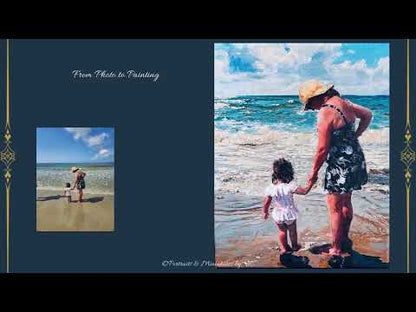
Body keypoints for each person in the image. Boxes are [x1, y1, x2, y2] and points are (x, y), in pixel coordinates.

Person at [298, 80, 372, 256]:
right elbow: (367, 115)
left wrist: (312, 175)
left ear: (319, 97)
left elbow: (322, 149)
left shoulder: (325, 111)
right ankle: (343, 240)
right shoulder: (345, 103)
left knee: (335, 207)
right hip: (355, 158)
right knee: (346, 201)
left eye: (311, 104)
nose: (313, 109)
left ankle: (336, 249)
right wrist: (356, 134)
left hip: (339, 164)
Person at [263, 158, 312, 254]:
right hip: (289, 213)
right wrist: (311, 183)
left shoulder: (271, 188)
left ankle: (284, 248)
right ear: (289, 173)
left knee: (282, 231)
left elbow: (267, 202)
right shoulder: (290, 186)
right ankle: (294, 246)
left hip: (278, 214)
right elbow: (304, 191)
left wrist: (265, 212)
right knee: (292, 231)